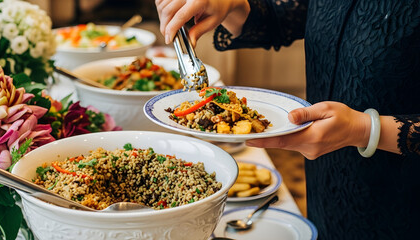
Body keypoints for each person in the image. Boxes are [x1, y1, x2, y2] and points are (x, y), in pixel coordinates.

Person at [155, 0, 420, 239]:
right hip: (327, 182)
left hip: (403, 202)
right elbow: (283, 19)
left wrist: (366, 129)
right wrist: (234, 6)